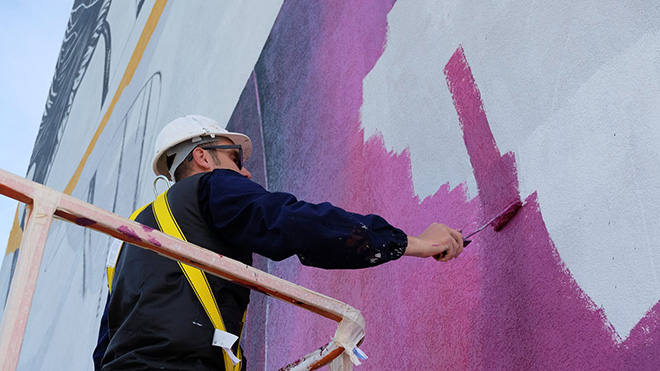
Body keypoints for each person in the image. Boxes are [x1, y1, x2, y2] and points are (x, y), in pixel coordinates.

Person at [94, 114, 464, 370]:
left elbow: (104, 348)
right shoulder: (210, 186)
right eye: (235, 157)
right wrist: (409, 242)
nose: (245, 171)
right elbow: (294, 222)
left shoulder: (126, 241)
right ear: (203, 157)